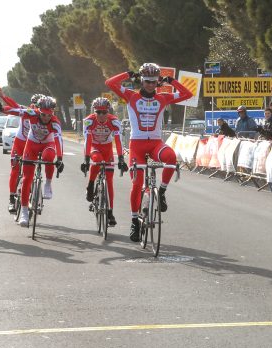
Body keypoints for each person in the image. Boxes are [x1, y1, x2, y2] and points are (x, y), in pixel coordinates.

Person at [105, 63, 192, 242]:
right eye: (147, 81)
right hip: (136, 145)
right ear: (142, 81)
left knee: (170, 158)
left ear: (157, 82)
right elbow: (110, 83)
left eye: (154, 82)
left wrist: (172, 80)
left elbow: (187, 94)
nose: (151, 85)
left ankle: (161, 192)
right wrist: (129, 73)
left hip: (155, 144)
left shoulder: (163, 98)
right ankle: (134, 221)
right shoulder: (131, 96)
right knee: (137, 183)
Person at [9, 97, 64, 227]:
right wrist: (1, 108)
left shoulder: (55, 122)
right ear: (39, 111)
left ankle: (48, 184)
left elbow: (59, 140)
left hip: (47, 145)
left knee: (49, 158)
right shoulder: (32, 114)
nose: (46, 117)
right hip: (31, 145)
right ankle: (24, 212)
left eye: (49, 115)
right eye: (43, 114)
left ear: (53, 113)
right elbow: (14, 110)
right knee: (27, 179)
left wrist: (60, 158)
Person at [0, 85, 45, 213]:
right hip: (20, 143)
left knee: (33, 170)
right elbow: (13, 105)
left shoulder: (44, 116)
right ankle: (11, 198)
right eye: (34, 104)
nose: (35, 107)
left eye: (39, 105)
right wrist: (2, 95)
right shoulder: (26, 111)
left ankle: (33, 190)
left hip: (34, 145)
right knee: (15, 169)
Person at [80, 97, 128, 227]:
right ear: (94, 111)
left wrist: (121, 158)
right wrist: (86, 159)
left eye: (104, 112)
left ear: (109, 111)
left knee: (110, 181)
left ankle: (110, 212)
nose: (101, 115)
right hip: (94, 147)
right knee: (97, 160)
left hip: (107, 149)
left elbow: (118, 141)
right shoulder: (89, 121)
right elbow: (87, 140)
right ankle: (90, 185)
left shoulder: (114, 121)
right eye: (98, 112)